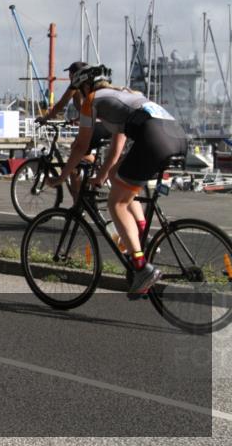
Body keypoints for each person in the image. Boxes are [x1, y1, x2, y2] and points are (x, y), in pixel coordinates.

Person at [47, 64, 187, 297]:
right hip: (176, 136)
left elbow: (81, 146)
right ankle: (141, 233)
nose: (79, 97)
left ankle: (141, 267)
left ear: (85, 86)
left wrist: (62, 176)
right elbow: (116, 148)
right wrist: (102, 175)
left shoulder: (92, 99)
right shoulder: (125, 95)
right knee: (116, 176)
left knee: (116, 204)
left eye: (78, 90)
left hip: (154, 140)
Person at [36, 61, 112, 202]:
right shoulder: (85, 86)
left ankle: (78, 202)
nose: (69, 76)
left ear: (75, 74)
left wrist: (45, 118)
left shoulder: (76, 86)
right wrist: (77, 118)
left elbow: (60, 105)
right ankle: (97, 170)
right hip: (102, 123)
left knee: (73, 161)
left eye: (70, 73)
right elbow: (86, 108)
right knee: (78, 154)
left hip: (96, 125)